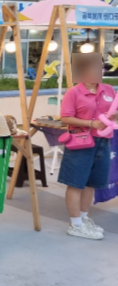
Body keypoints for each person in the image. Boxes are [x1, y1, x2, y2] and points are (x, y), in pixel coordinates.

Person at [58, 55, 114, 240]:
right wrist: (91, 123)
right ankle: (75, 224)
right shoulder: (74, 92)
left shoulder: (108, 90)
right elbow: (65, 118)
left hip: (103, 142)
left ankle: (83, 218)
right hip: (80, 142)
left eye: (101, 67)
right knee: (76, 183)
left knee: (91, 183)